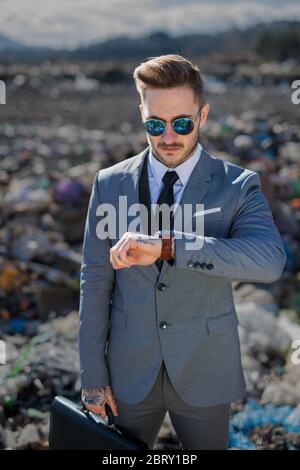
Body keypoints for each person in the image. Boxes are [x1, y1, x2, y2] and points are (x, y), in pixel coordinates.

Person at [79, 54, 287, 450]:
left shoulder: (238, 186)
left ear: (203, 115)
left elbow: (269, 260)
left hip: (204, 370)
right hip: (127, 373)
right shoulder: (108, 184)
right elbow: (94, 281)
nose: (169, 136)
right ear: (141, 114)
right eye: (155, 124)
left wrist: (169, 246)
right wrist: (92, 373)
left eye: (182, 123)